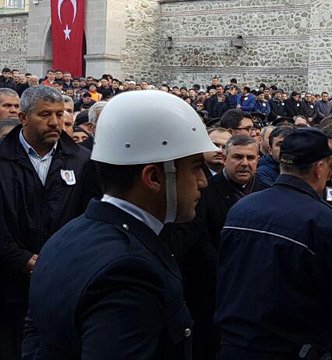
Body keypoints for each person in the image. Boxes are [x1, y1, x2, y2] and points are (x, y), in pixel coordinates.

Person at [22, 90, 216, 358]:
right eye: (194, 167)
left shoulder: (67, 236)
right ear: (154, 177)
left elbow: (35, 340)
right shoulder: (130, 269)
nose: (203, 181)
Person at [215, 128, 332, 358]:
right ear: (320, 168)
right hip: (289, 349)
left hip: (234, 346)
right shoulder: (326, 222)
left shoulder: (241, 208)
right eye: (329, 166)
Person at [0, 86, 99, 359]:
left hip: (63, 280)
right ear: (23, 117)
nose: (55, 122)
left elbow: (89, 215)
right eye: (45, 115)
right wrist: (20, 258)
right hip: (9, 283)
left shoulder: (82, 161)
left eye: (60, 114)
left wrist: (63, 258)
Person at [161, 134, 259, 360]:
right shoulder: (205, 190)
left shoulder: (266, 190)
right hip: (212, 287)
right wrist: (229, 272)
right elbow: (201, 238)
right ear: (225, 158)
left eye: (250, 157)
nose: (244, 163)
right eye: (238, 157)